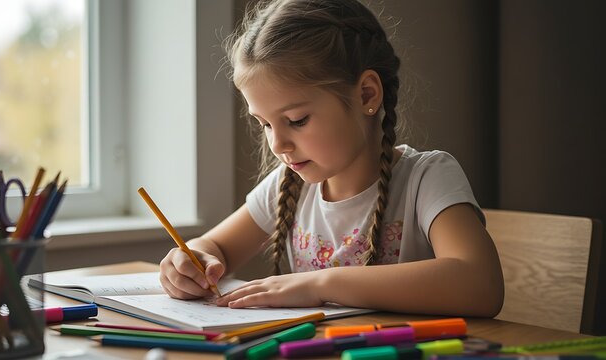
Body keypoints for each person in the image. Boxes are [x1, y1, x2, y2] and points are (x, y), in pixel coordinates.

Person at [159, 0, 504, 317]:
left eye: (296, 120)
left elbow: (480, 284)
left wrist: (320, 284)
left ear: (366, 94)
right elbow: (215, 246)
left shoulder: (426, 179)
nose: (278, 144)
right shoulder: (288, 185)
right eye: (264, 123)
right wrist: (190, 259)